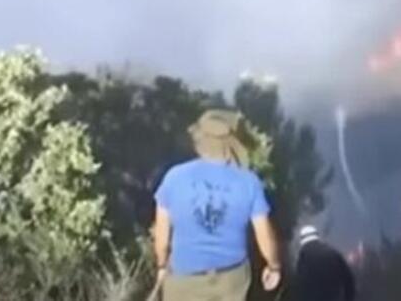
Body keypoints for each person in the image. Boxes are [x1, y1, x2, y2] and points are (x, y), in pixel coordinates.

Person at [152, 109, 283, 301]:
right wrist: (274, 266)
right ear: (231, 145)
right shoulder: (248, 182)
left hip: (184, 280)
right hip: (231, 281)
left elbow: (162, 237)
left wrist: (162, 266)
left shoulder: (174, 177)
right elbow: (264, 235)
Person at [292, 225, 356, 301]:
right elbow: (348, 279)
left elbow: (299, 287)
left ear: (302, 240)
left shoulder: (303, 258)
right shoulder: (332, 253)